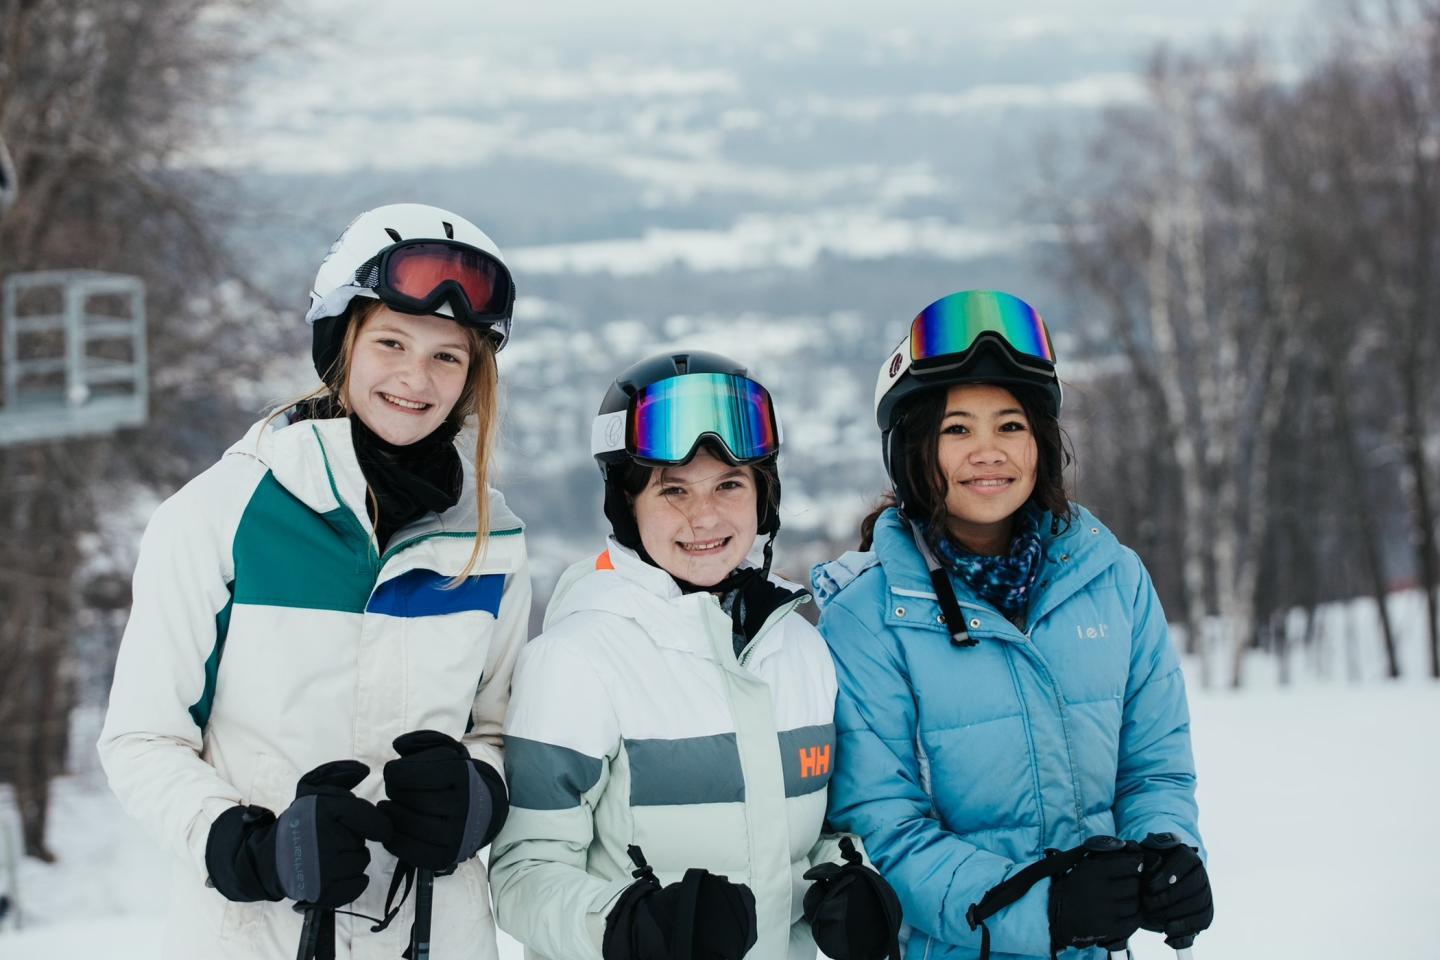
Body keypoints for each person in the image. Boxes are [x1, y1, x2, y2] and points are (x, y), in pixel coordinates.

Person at [98, 203, 532, 960]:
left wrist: (478, 793)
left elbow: (496, 728)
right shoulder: (221, 516)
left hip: (439, 934)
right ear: (341, 346)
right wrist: (244, 847)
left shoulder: (492, 539)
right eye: (391, 342)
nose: (414, 377)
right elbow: (141, 737)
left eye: (446, 357)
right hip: (257, 935)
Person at [811, 291, 1213, 960]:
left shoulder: (1113, 580)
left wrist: (1169, 852)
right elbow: (880, 832)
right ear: (914, 449)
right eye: (958, 429)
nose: (988, 452)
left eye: (1011, 425)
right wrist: (1043, 905)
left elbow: (1154, 771)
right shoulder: (866, 619)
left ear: (1042, 442)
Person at [490, 351, 902, 960]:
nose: (704, 515)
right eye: (673, 490)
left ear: (764, 495)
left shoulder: (801, 651)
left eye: (729, 484)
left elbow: (825, 833)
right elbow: (523, 872)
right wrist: (626, 925)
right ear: (626, 507)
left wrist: (844, 881)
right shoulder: (575, 662)